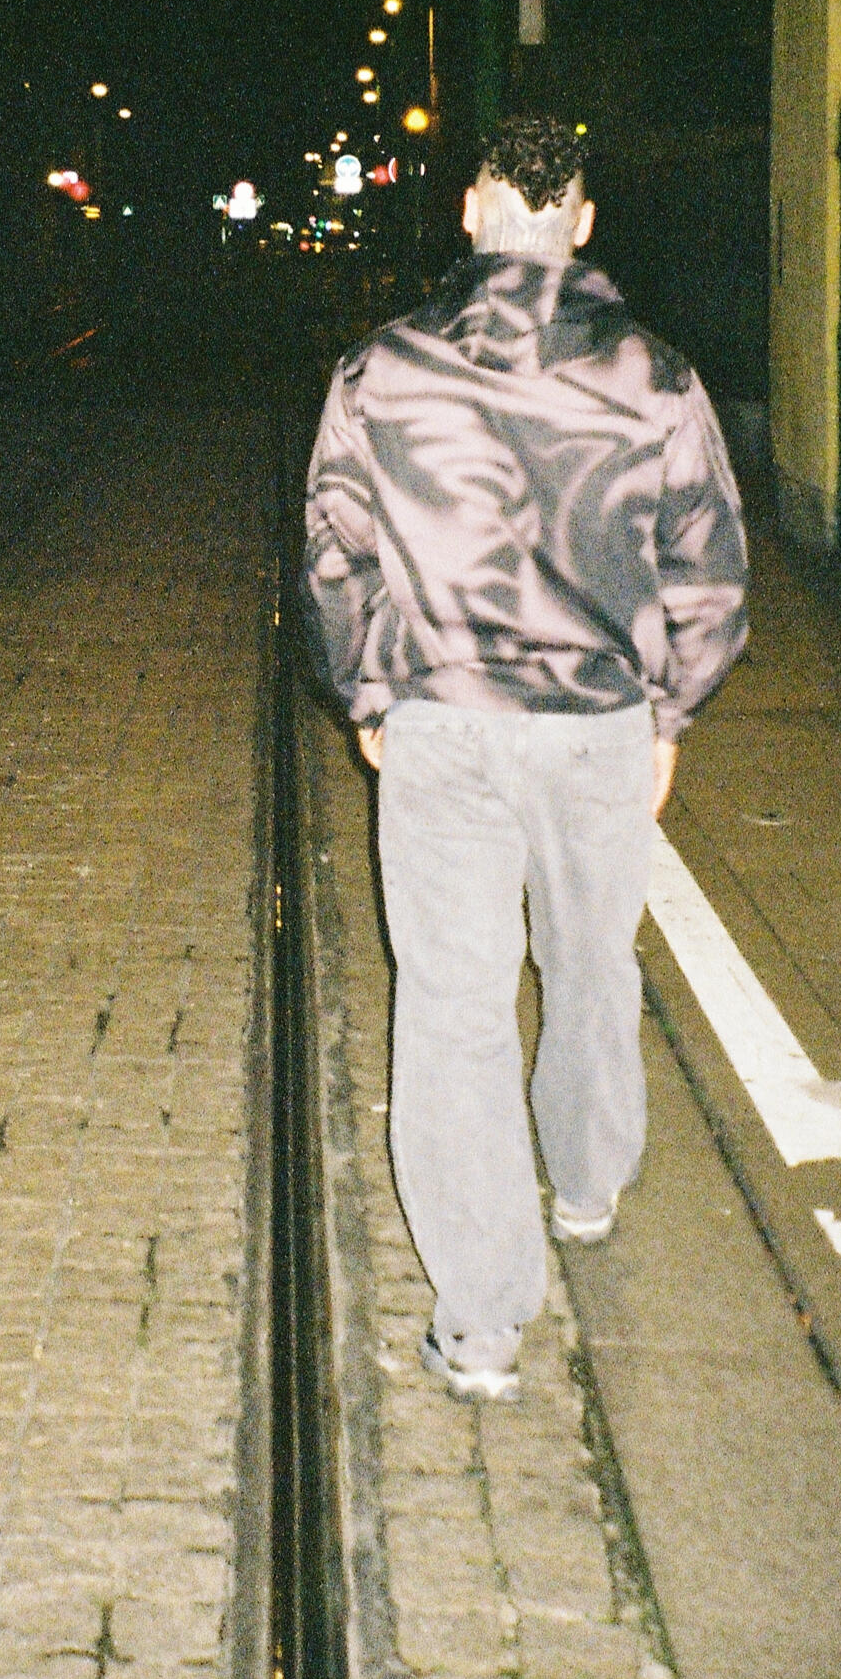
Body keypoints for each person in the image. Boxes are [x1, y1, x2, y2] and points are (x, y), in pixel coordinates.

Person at [302, 113, 748, 1403]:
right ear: (583, 223)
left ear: (470, 211)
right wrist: (667, 715)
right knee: (591, 958)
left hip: (442, 724)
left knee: (452, 1008)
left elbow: (335, 554)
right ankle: (588, 1183)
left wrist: (370, 689)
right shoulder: (658, 377)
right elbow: (710, 569)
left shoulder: (380, 372)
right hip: (597, 728)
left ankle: (483, 1324)